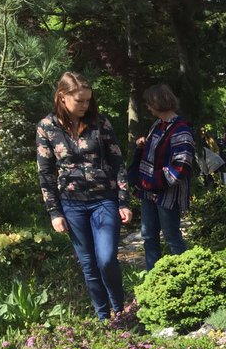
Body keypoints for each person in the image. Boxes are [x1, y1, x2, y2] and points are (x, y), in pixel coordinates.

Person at [36, 72, 133, 320]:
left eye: (88, 100)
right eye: (79, 100)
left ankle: (120, 312)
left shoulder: (100, 123)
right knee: (89, 265)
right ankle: (103, 319)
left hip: (104, 200)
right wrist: (54, 212)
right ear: (62, 97)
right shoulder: (47, 127)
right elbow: (45, 173)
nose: (85, 106)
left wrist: (123, 201)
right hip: (72, 205)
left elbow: (118, 163)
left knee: (107, 259)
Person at [134, 83, 195, 271]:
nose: (147, 107)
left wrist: (155, 181)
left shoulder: (181, 129)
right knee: (148, 236)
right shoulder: (157, 126)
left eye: (148, 103)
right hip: (148, 192)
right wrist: (142, 145)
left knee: (171, 236)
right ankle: (154, 279)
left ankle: (186, 277)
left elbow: (181, 164)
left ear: (156, 103)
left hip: (167, 194)